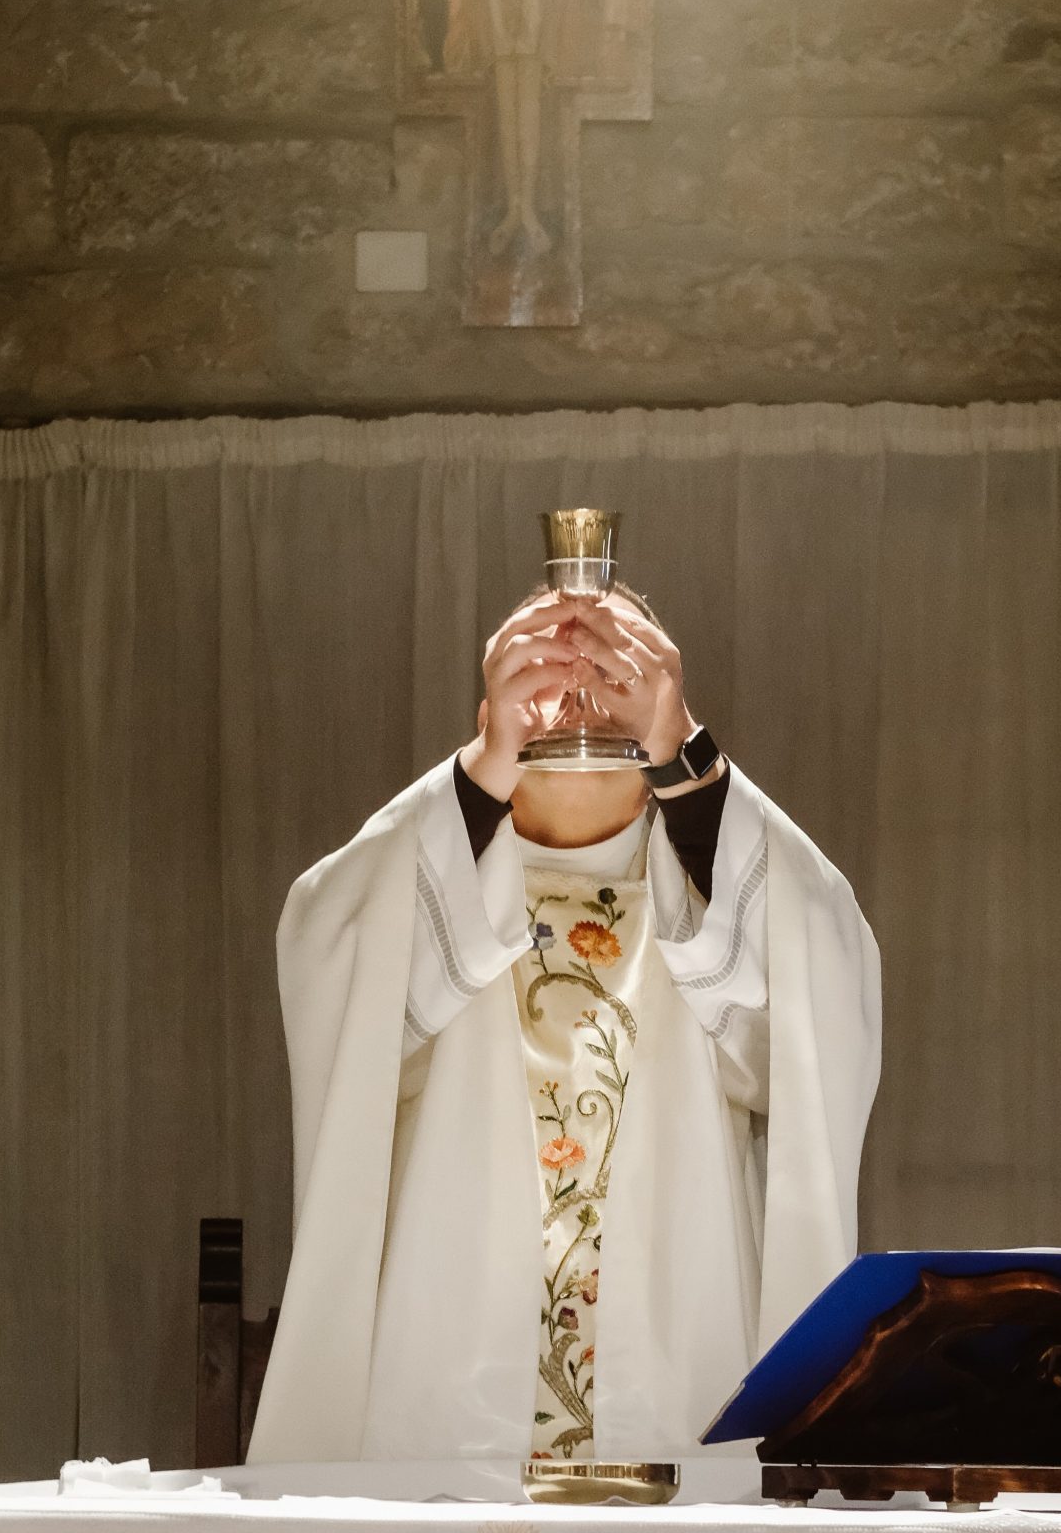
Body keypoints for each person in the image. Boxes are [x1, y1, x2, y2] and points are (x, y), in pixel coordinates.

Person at [250, 585, 881, 1463]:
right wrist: (480, 775)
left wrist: (691, 767)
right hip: (448, 1416)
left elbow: (828, 990)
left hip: (675, 1405)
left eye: (614, 680)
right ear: (488, 720)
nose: (580, 705)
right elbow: (325, 952)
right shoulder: (429, 893)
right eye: (547, 679)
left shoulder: (716, 901)